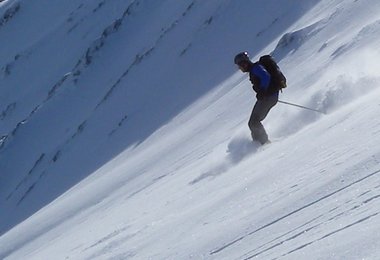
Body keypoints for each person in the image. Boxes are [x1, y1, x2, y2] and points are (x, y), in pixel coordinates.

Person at [234, 51, 279, 145]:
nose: (239, 68)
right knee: (253, 122)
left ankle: (264, 143)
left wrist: (262, 91)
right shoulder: (254, 69)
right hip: (269, 97)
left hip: (268, 97)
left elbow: (266, 76)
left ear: (244, 63)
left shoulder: (256, 68)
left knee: (254, 122)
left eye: (239, 65)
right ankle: (260, 142)